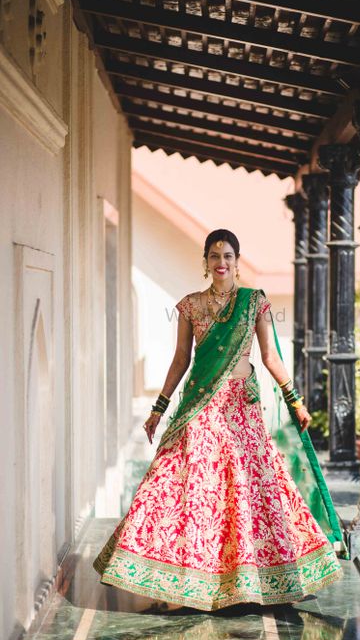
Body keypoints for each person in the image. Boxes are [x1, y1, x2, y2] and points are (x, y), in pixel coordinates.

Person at [93, 229, 343, 610]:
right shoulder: (190, 306)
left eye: (227, 256)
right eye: (214, 256)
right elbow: (181, 360)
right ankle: (185, 578)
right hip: (201, 407)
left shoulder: (253, 302)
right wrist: (159, 409)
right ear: (205, 262)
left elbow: (270, 357)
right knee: (192, 486)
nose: (221, 263)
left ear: (237, 262)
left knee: (253, 485)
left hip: (240, 407)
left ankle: (262, 575)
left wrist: (295, 401)